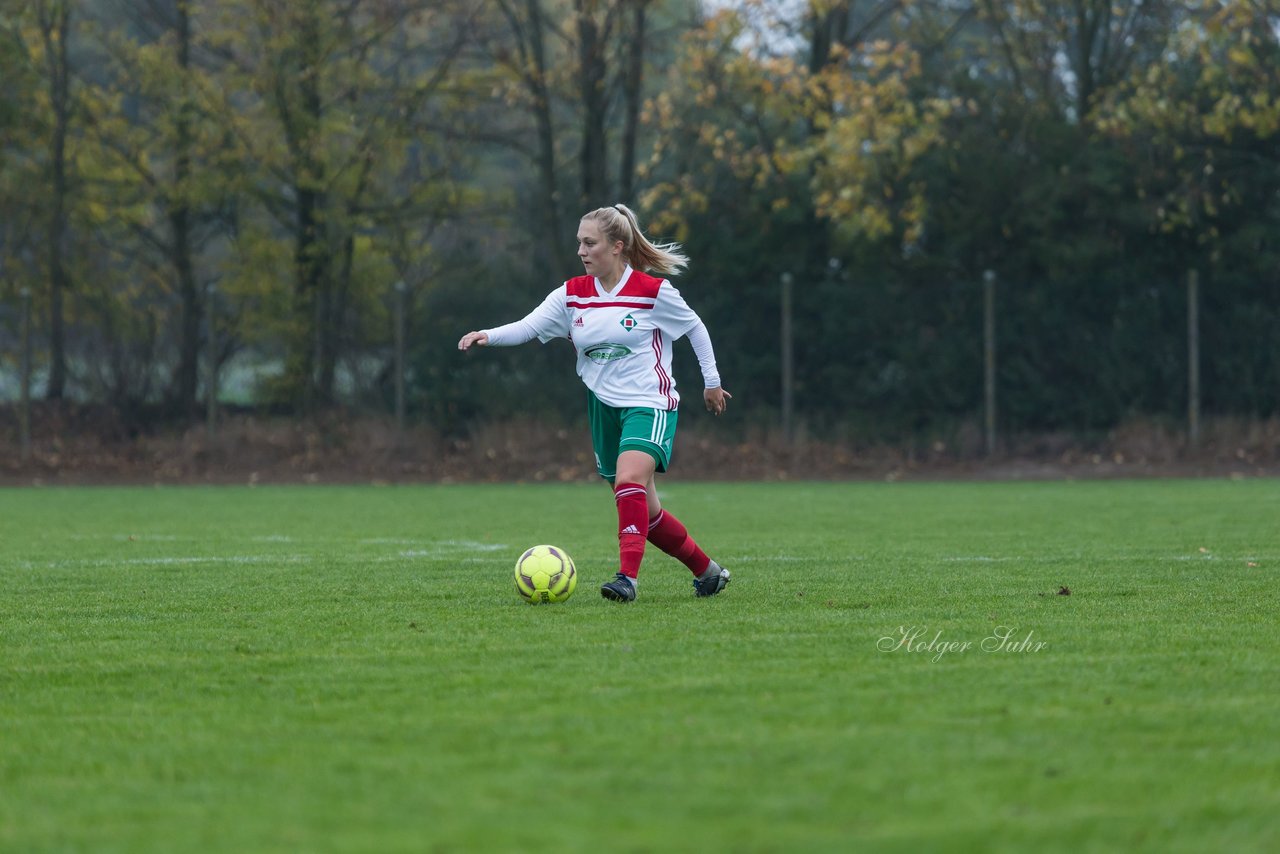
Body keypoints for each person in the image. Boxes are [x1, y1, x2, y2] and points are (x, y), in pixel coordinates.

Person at [458, 204, 732, 602]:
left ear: (617, 246)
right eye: (579, 244)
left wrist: (712, 382)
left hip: (649, 403)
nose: (582, 251)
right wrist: (486, 334)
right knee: (646, 514)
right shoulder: (572, 294)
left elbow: (694, 328)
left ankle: (627, 580)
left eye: (590, 243)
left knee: (628, 481)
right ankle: (708, 572)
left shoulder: (652, 292)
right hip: (603, 408)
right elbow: (528, 326)